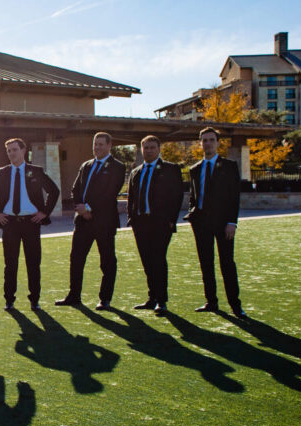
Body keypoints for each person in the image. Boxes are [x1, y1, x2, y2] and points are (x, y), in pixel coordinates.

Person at [0, 138, 60, 311]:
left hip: (31, 223)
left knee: (33, 263)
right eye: (9, 151)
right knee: (10, 263)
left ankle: (35, 299)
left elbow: (54, 191)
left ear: (23, 150)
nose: (11, 153)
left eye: (14, 150)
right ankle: (9, 300)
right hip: (10, 223)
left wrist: (44, 213)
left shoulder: (35, 171)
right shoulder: (1, 172)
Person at [56, 132, 126, 310]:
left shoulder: (117, 167)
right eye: (95, 144)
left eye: (101, 144)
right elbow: (75, 189)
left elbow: (109, 193)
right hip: (82, 222)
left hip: (103, 222)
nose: (97, 148)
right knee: (76, 259)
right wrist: (80, 206)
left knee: (107, 261)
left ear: (110, 145)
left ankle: (105, 299)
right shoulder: (86, 165)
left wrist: (88, 209)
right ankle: (74, 295)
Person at [183, 127, 246, 318]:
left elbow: (234, 197)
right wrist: (192, 215)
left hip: (223, 224)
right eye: (204, 140)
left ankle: (236, 305)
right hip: (201, 224)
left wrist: (231, 222)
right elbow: (194, 196)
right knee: (206, 263)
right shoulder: (195, 169)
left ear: (218, 143)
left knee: (227, 263)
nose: (207, 143)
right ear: (200, 143)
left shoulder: (229, 166)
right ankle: (211, 301)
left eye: (211, 140)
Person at [127, 135, 183, 316]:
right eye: (146, 148)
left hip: (160, 223)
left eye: (152, 147)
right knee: (147, 262)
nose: (149, 150)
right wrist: (132, 218)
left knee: (158, 260)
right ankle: (151, 297)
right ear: (141, 150)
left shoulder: (170, 169)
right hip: (140, 223)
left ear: (159, 149)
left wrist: (170, 220)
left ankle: (162, 300)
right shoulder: (136, 171)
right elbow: (132, 198)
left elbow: (177, 196)